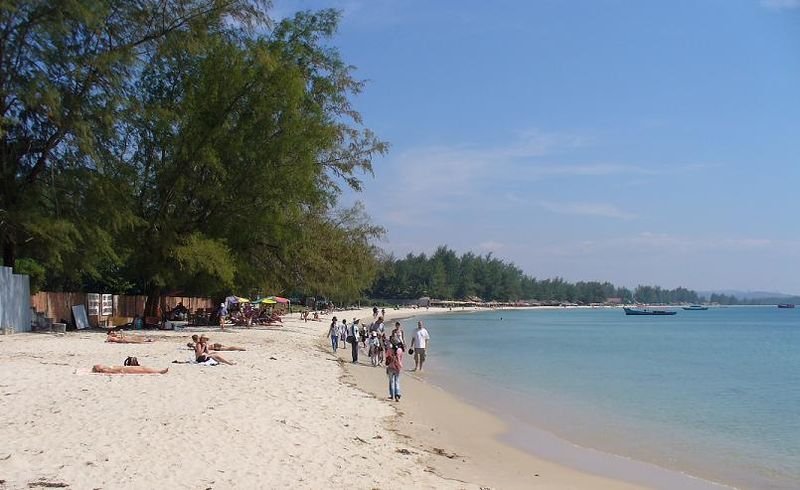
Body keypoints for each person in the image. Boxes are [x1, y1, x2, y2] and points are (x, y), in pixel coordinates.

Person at [92, 364, 168, 374]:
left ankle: (158, 371)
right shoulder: (105, 370)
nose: (100, 364)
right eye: (99, 365)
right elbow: (117, 371)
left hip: (125, 368)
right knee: (143, 370)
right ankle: (159, 372)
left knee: (143, 368)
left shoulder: (106, 367)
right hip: (126, 370)